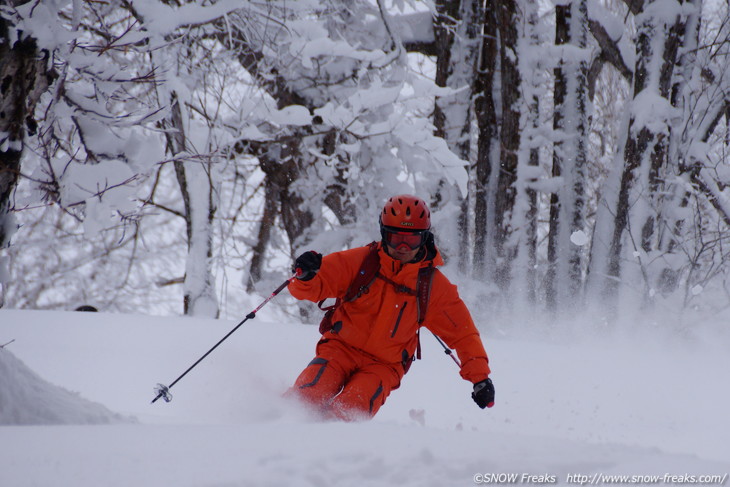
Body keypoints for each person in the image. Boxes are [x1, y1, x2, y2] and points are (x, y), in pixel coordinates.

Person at [287, 194, 494, 421]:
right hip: (339, 349)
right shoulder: (362, 262)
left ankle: (330, 454)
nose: (403, 247)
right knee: (304, 399)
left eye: (412, 240)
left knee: (348, 412)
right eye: (396, 238)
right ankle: (274, 435)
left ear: (424, 238)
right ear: (384, 234)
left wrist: (480, 378)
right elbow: (309, 287)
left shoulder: (432, 287)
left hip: (383, 366)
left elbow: (463, 334)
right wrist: (306, 275)